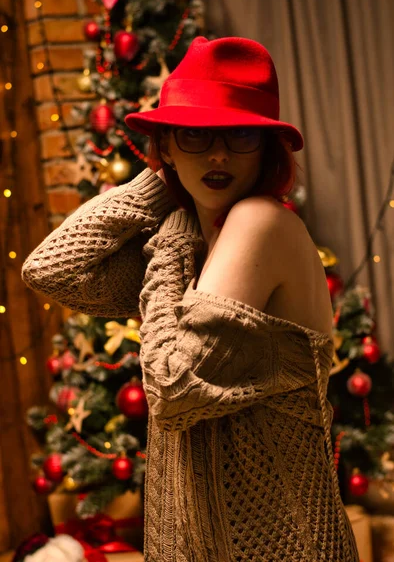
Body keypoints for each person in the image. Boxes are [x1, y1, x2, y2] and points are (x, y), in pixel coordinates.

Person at [22, 37, 359, 561]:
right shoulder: (190, 254)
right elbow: (51, 270)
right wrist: (161, 182)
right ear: (167, 146)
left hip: (283, 549)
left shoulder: (260, 224)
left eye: (239, 135)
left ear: (266, 150)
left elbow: (172, 385)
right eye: (196, 134)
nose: (219, 153)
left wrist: (175, 227)